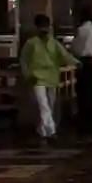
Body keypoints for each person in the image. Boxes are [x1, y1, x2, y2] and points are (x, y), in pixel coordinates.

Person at [18, 14, 73, 144]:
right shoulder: (31, 43)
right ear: (36, 28)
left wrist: (76, 62)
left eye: (46, 26)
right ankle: (51, 131)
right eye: (41, 26)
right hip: (36, 77)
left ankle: (42, 129)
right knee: (43, 104)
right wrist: (28, 75)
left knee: (49, 104)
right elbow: (24, 61)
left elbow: (65, 55)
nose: (44, 29)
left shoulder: (53, 43)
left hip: (51, 77)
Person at [70, 8, 92, 133]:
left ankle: (85, 117)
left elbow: (76, 47)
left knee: (84, 91)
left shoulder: (82, 29)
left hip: (85, 62)